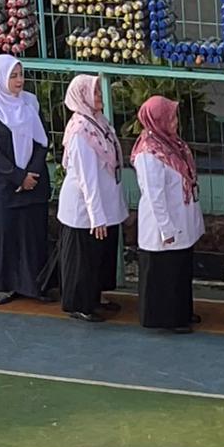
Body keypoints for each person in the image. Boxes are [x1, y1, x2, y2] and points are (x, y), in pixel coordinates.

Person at [0, 55, 55, 303]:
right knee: (5, 236)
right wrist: (17, 177)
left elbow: (42, 140)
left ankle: (35, 285)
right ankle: (5, 285)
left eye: (21, 74)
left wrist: (31, 173)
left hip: (33, 184)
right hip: (4, 187)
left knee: (33, 236)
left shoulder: (30, 103)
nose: (19, 80)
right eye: (13, 75)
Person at [58, 76, 129, 324]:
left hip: (102, 202)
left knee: (97, 256)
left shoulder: (97, 122)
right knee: (83, 258)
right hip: (85, 208)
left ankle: (94, 298)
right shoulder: (80, 132)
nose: (99, 95)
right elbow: (87, 179)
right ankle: (80, 304)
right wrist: (96, 216)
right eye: (95, 91)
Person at [132, 96, 203, 335]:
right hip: (164, 224)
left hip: (181, 218)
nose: (174, 122)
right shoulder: (148, 153)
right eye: (170, 118)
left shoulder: (173, 144)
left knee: (179, 268)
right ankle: (167, 318)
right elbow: (155, 197)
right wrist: (166, 228)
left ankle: (182, 311)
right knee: (165, 271)